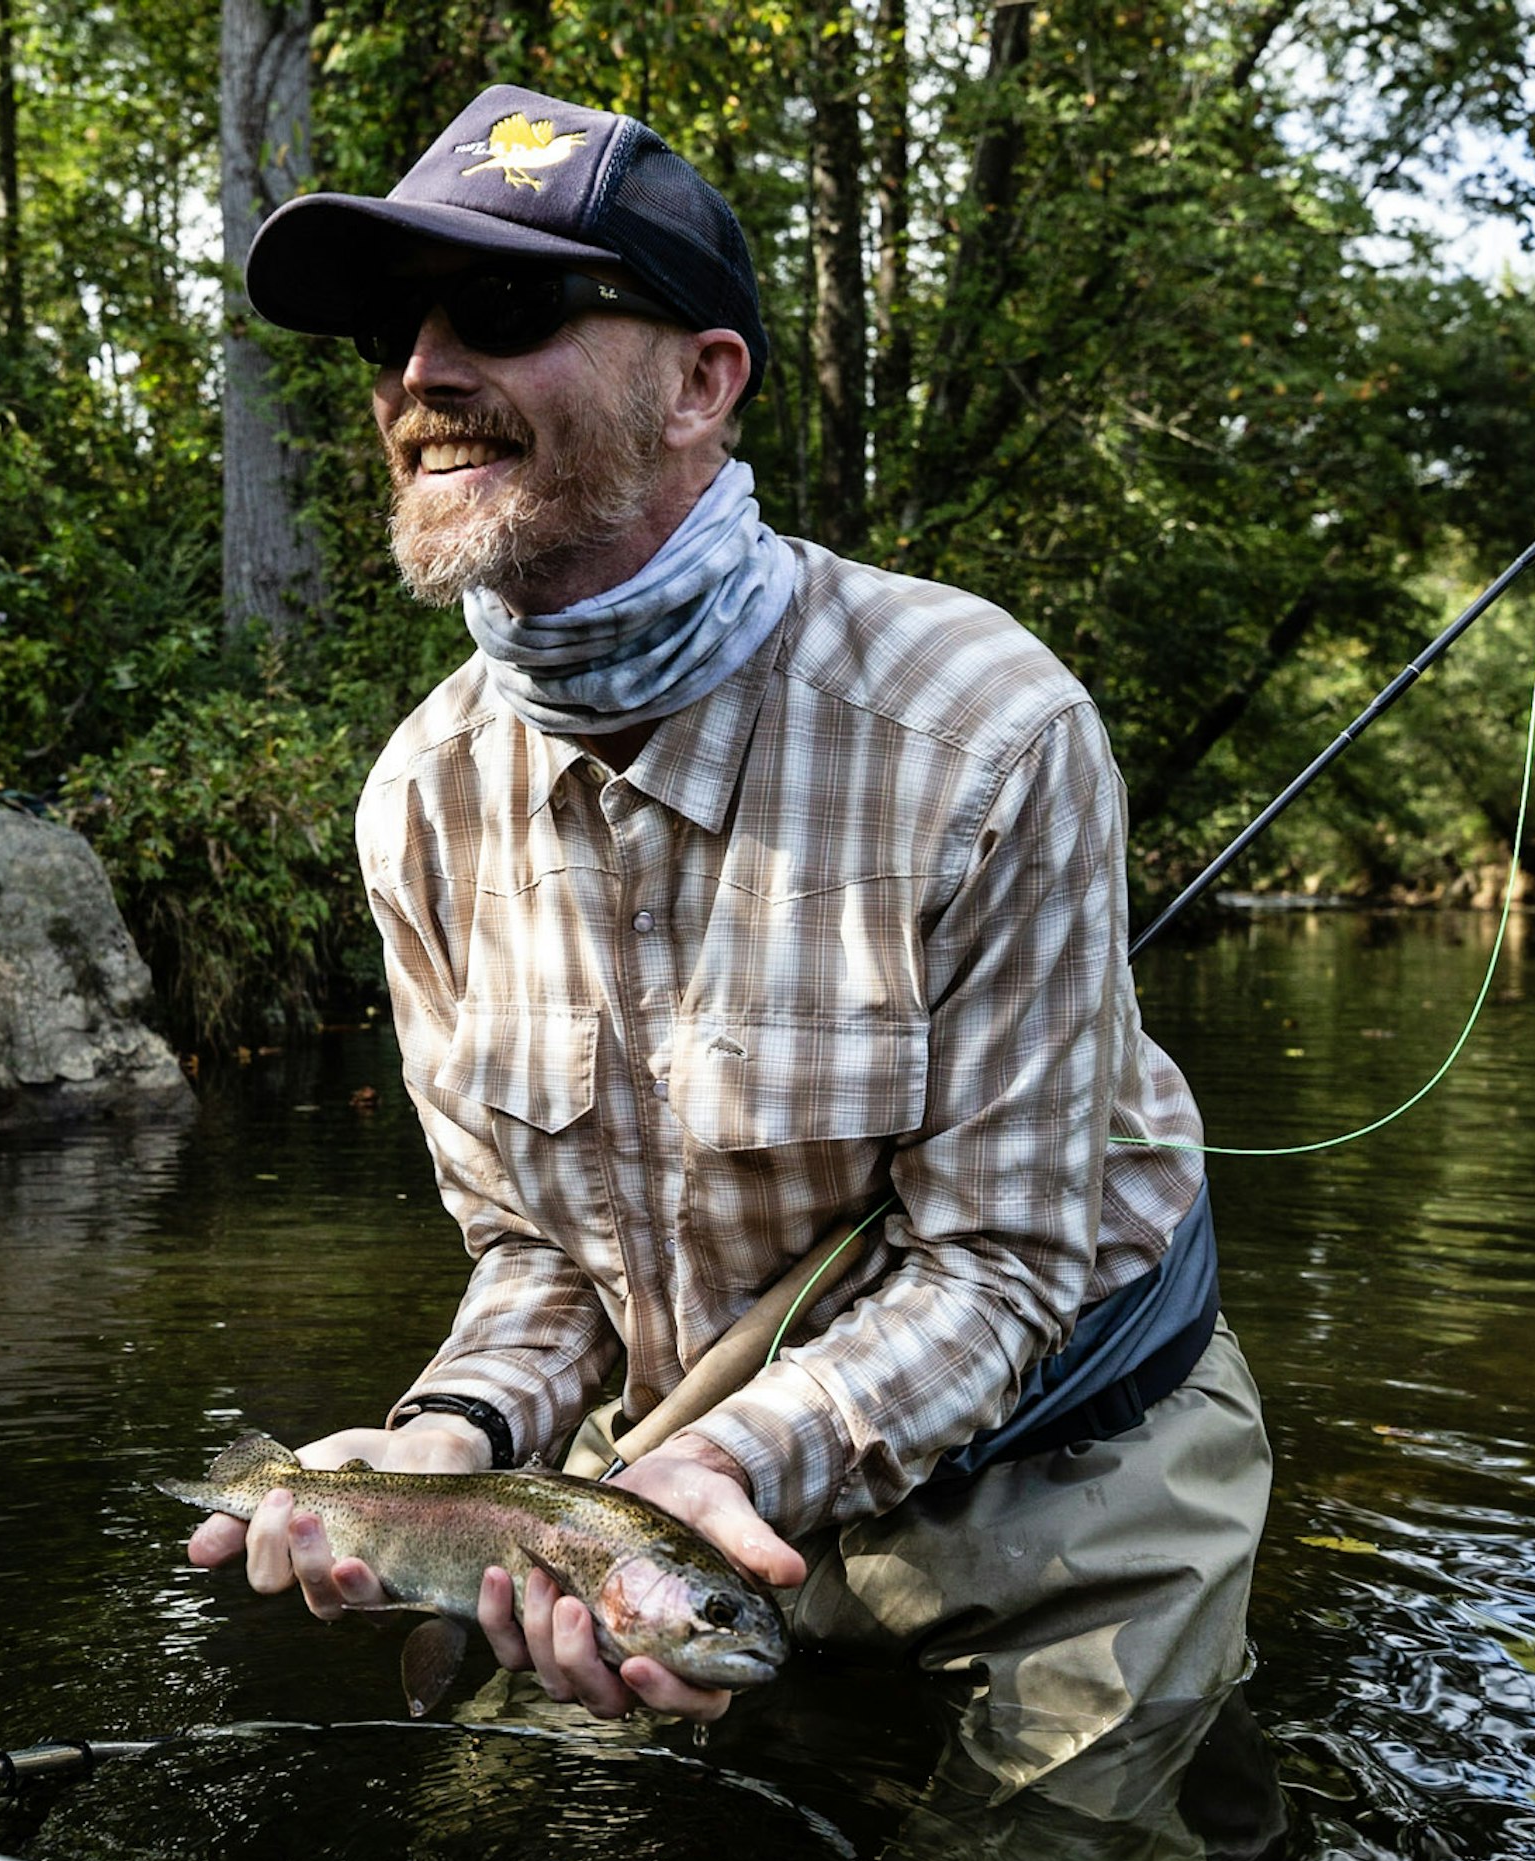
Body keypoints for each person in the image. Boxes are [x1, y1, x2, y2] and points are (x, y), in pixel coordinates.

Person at [184, 83, 1272, 1775]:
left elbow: (1002, 1265)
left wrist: (710, 1477)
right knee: (536, 1827)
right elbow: (534, 1254)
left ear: (701, 384)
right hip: (677, 1476)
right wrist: (454, 1438)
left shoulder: (989, 732)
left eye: (506, 307)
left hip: (1067, 1456)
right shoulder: (419, 800)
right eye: (394, 332)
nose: (422, 372)